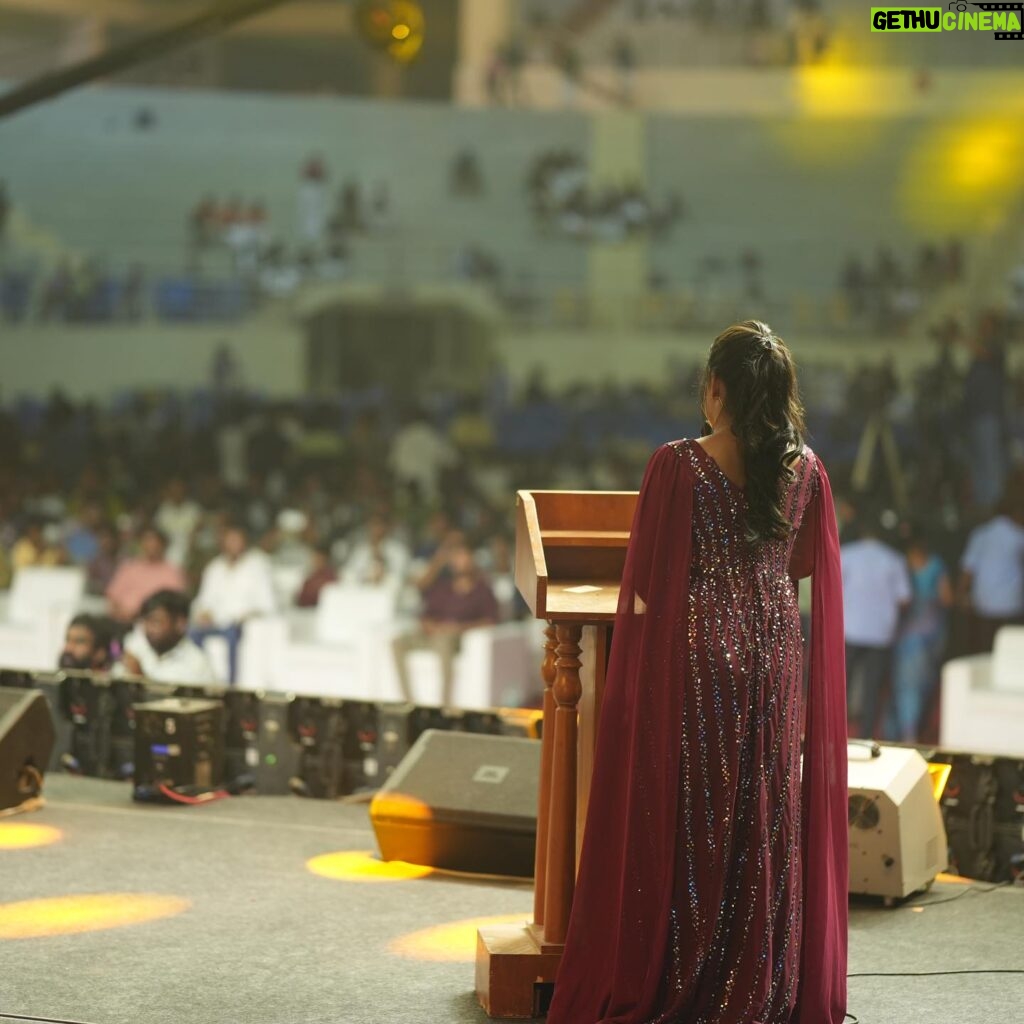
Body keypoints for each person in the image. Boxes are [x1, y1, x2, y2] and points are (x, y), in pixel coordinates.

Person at [546, 321, 848, 1024]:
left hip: (701, 653)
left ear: (717, 389)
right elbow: (802, 565)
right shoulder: (808, 469)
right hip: (774, 650)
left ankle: (685, 973)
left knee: (691, 816)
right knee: (761, 811)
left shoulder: (678, 464)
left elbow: (648, 578)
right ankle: (757, 984)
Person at [391, 535, 499, 706]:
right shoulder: (443, 586)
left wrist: (459, 627)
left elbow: (491, 620)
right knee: (396, 642)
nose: (460, 561)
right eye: (456, 557)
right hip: (432, 635)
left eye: (464, 556)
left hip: (456, 637)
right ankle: (408, 700)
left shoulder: (482, 589)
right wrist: (430, 626)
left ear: (471, 559)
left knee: (444, 640)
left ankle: (444, 704)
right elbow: (425, 614)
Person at [841, 509, 911, 738]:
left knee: (842, 685)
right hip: (881, 634)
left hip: (850, 630)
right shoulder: (894, 560)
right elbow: (904, 600)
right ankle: (865, 737)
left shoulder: (846, 555)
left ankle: (837, 732)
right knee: (872, 690)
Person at [191, 522, 277, 683]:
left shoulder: (257, 566)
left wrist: (248, 615)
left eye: (237, 540)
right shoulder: (214, 567)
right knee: (192, 633)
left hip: (239, 623)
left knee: (231, 634)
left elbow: (267, 604)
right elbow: (203, 599)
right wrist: (203, 612)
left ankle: (231, 684)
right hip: (214, 623)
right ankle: (202, 679)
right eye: (229, 540)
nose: (233, 544)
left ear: (245, 542)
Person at [889, 527, 952, 742]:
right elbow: (947, 598)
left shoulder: (902, 564)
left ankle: (907, 731)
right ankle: (915, 728)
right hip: (933, 631)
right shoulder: (936, 564)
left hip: (909, 633)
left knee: (905, 684)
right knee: (925, 682)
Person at [959, 499, 1024, 654]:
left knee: (986, 652)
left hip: (984, 605)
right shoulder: (1018, 534)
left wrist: (961, 595)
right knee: (1013, 653)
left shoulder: (980, 534)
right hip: (1012, 605)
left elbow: (968, 570)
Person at [121, 590, 218, 684]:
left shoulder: (197, 666)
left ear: (180, 624)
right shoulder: (136, 645)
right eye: (146, 622)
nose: (149, 629)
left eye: (156, 622)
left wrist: (140, 679)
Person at [105, 526, 186, 624]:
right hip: (122, 621)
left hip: (154, 626)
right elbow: (113, 598)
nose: (151, 546)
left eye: (155, 542)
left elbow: (175, 604)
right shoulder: (128, 568)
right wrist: (121, 614)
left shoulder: (172, 572)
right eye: (147, 541)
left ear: (163, 545)